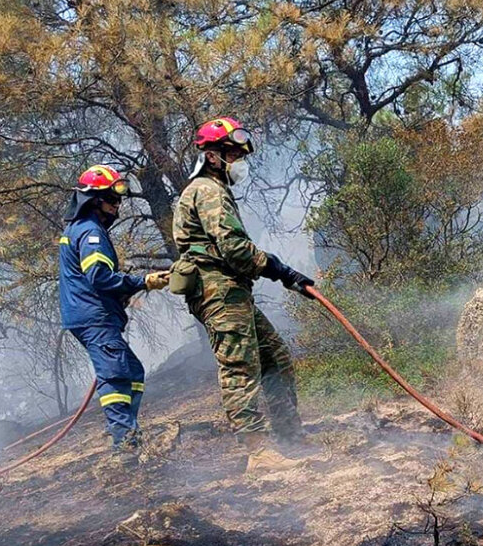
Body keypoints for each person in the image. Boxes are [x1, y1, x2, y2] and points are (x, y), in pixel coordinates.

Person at [172, 117, 315, 473]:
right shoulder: (206, 190)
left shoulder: (214, 190)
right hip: (218, 291)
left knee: (274, 355)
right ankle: (258, 452)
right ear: (214, 156)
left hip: (233, 290)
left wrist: (280, 270)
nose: (240, 161)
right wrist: (279, 269)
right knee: (240, 367)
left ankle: (290, 438)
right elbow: (234, 248)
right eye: (234, 154)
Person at [59, 165, 169, 461]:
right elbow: (98, 276)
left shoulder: (76, 230)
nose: (118, 206)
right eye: (113, 199)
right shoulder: (91, 232)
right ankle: (125, 447)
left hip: (90, 316)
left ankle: (128, 433)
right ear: (95, 200)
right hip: (94, 318)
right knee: (117, 376)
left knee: (132, 372)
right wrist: (142, 281)